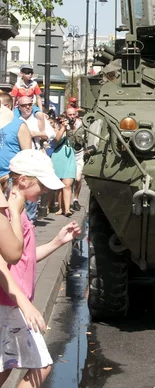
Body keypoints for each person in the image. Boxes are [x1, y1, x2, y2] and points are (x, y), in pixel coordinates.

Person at [0, 149, 80, 387]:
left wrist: (57, 242)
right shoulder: (11, 210)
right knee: (41, 368)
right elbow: (4, 264)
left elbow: (25, 257)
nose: (45, 190)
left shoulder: (18, 208)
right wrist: (26, 305)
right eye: (42, 185)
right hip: (12, 302)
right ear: (23, 180)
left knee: (5, 366)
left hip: (11, 302)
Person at [50, 114, 76, 217]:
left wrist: (71, 126)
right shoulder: (54, 131)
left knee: (67, 184)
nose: (63, 123)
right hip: (58, 159)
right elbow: (56, 140)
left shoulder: (71, 131)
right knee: (60, 186)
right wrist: (63, 128)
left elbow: (77, 141)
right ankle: (61, 208)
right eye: (60, 122)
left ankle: (67, 209)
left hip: (69, 159)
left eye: (65, 121)